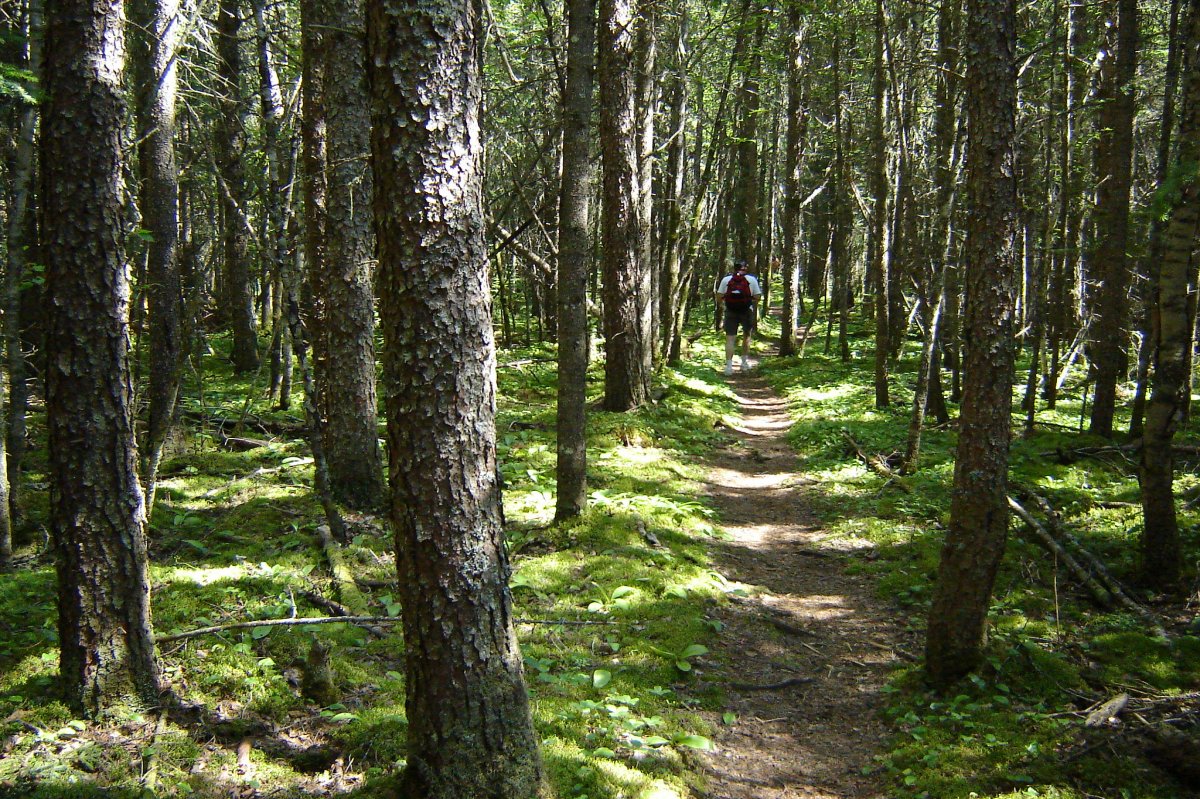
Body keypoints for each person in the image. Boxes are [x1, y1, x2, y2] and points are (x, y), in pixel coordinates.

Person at [715, 258, 762, 376]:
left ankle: (729, 367)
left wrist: (727, 300)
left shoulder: (726, 280)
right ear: (745, 268)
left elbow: (719, 296)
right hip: (746, 311)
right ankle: (744, 363)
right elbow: (757, 296)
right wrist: (748, 299)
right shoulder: (752, 279)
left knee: (730, 338)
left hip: (730, 311)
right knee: (747, 336)